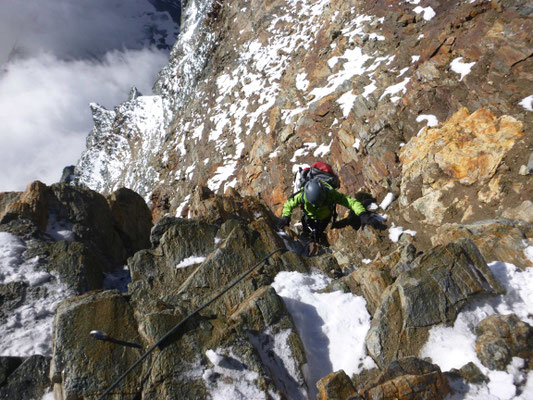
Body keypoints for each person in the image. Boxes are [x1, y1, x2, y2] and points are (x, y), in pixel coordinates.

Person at [277, 178, 379, 245]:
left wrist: (362, 214)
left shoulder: (331, 194)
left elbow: (350, 202)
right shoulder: (302, 195)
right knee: (307, 229)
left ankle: (317, 240)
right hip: (309, 216)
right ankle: (308, 237)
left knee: (318, 233)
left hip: (325, 217)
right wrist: (286, 217)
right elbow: (289, 204)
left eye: (320, 202)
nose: (318, 205)